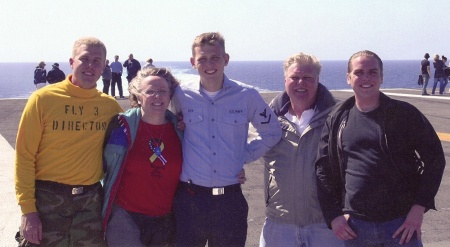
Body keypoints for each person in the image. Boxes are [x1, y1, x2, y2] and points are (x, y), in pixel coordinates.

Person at [315, 50, 446, 246]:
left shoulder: (404, 115)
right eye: (359, 72)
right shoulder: (337, 119)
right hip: (355, 228)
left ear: (382, 77)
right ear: (348, 78)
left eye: (373, 72)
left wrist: (419, 208)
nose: (366, 77)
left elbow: (435, 159)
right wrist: (333, 215)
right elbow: (322, 168)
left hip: (401, 226)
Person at [171, 32, 282, 247]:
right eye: (202, 59)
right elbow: (169, 126)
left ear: (226, 59)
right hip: (189, 200)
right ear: (193, 63)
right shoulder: (180, 95)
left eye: (215, 58)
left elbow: (272, 132)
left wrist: (242, 156)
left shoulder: (247, 95)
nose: (209, 64)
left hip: (229, 202)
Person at [15, 37, 123, 246]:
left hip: (90, 205)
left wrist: (178, 122)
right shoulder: (43, 99)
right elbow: (24, 156)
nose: (90, 65)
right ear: (72, 62)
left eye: (97, 61)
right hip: (46, 202)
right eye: (85, 58)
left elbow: (137, 129)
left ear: (104, 67)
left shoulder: (110, 107)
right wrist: (28, 211)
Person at [259, 52, 343, 247]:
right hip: (279, 223)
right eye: (294, 78)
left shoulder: (338, 115)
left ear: (318, 80)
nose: (300, 83)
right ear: (285, 80)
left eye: (307, 78)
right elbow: (237, 145)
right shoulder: (267, 117)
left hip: (326, 225)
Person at [102, 67, 183, 246]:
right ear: (138, 96)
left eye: (162, 91)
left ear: (170, 95)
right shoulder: (121, 127)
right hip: (125, 218)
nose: (157, 96)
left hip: (166, 221)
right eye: (150, 92)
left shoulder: (182, 130)